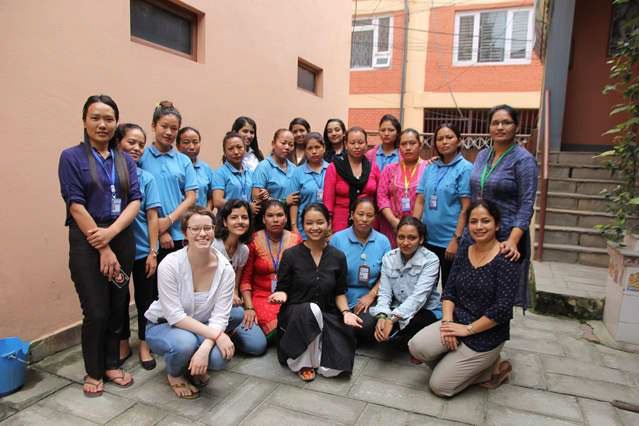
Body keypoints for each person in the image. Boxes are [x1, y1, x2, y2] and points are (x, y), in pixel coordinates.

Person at [58, 95, 141, 397]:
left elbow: (135, 200)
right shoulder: (71, 157)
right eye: (96, 118)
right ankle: (93, 371)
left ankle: (110, 364)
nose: (103, 124)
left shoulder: (125, 160)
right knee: (96, 309)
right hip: (87, 240)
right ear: (85, 121)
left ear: (116, 122)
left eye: (109, 118)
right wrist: (103, 245)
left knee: (118, 305)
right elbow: (75, 204)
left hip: (121, 238)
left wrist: (114, 234)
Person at [408, 200, 519, 397]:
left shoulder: (506, 259)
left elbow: (502, 309)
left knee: (440, 387)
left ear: (497, 225)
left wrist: (467, 330)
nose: (479, 226)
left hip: (486, 333)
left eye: (485, 221)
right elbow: (449, 291)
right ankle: (459, 363)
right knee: (416, 347)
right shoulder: (465, 249)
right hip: (457, 321)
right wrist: (448, 323)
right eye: (473, 221)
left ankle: (491, 369)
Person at [145, 207, 237, 400]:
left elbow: (220, 316)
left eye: (207, 228)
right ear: (185, 232)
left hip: (201, 327)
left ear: (214, 230)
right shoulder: (170, 264)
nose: (202, 234)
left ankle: (194, 361)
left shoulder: (225, 269)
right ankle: (175, 373)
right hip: (164, 324)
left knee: (219, 358)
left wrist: (205, 348)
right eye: (195, 229)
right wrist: (218, 336)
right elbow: (175, 316)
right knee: (184, 343)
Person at [270, 203, 361, 381]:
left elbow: (339, 293)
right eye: (309, 223)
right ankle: (304, 362)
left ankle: (318, 356)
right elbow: (283, 288)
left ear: (328, 223)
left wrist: (346, 312)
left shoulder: (338, 256)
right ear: (303, 225)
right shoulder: (291, 255)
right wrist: (282, 294)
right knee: (310, 309)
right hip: (296, 315)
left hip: (327, 314)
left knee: (333, 370)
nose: (315, 227)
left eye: (320, 222)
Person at [469, 105, 538, 307]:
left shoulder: (524, 160)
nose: (500, 127)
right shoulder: (483, 155)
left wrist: (513, 240)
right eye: (495, 123)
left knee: (497, 298)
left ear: (516, 126)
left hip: (504, 238)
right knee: (473, 290)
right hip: (477, 232)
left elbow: (526, 204)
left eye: (506, 122)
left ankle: (491, 337)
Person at [115, 123, 161, 371]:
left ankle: (144, 343)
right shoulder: (109, 175)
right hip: (118, 253)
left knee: (146, 300)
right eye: (131, 142)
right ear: (118, 142)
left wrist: (153, 251)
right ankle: (123, 341)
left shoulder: (147, 178)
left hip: (144, 251)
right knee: (120, 299)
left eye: (141, 144)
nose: (136, 148)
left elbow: (153, 216)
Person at [358, 217, 441, 345]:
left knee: (412, 326)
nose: (405, 242)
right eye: (401, 237)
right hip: (396, 305)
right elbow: (385, 292)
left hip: (423, 309)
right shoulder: (389, 257)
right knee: (365, 325)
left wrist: (391, 319)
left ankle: (405, 338)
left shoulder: (431, 260)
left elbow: (418, 298)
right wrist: (382, 316)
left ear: (421, 239)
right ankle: (395, 335)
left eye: (412, 238)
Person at [413, 123, 472, 288]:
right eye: (440, 139)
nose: (444, 142)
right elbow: (420, 200)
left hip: (449, 241)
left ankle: (448, 315)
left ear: (459, 141)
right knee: (424, 287)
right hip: (428, 239)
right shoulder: (431, 167)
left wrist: (456, 240)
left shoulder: (465, 169)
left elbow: (466, 208)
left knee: (449, 289)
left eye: (449, 137)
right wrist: (412, 230)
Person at [138, 101, 197, 264]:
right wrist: (160, 230)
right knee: (151, 288)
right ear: (153, 125)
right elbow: (139, 199)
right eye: (164, 126)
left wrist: (169, 221)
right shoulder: (142, 157)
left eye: (174, 128)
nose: (169, 132)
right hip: (149, 235)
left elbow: (191, 197)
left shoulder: (183, 160)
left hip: (180, 234)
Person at [239, 200, 302, 338]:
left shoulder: (296, 239)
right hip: (261, 297)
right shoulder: (254, 240)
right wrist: (249, 307)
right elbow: (245, 280)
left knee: (295, 321)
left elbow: (301, 275)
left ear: (286, 218)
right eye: (270, 215)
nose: (275, 220)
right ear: (263, 219)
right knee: (278, 327)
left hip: (287, 295)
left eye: (280, 215)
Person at [212, 200, 268, 356]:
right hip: (209, 307)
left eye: (244, 217)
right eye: (234, 217)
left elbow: (235, 285)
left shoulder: (243, 250)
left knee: (258, 345)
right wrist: (227, 297)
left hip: (230, 307)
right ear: (224, 221)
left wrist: (235, 296)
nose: (240, 222)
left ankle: (228, 333)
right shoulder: (213, 246)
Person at [330, 198, 391, 315]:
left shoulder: (383, 241)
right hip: (339, 296)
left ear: (375, 218)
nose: (364, 219)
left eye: (369, 215)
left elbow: (387, 275)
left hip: (370, 296)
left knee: (365, 326)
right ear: (352, 215)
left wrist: (371, 295)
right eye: (360, 214)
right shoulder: (337, 239)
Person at [323, 127, 380, 233]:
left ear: (366, 144)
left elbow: (378, 198)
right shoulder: (334, 167)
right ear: (346, 144)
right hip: (341, 222)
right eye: (352, 143)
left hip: (368, 221)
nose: (357, 146)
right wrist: (328, 224)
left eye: (361, 142)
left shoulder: (373, 168)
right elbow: (328, 199)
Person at [377, 129, 428, 247]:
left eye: (412, 143)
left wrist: (414, 227)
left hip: (420, 228)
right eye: (403, 144)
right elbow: (381, 197)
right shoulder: (389, 169)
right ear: (399, 147)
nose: (408, 147)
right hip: (393, 227)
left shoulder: (429, 168)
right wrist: (394, 222)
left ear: (420, 146)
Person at [252, 129, 299, 221]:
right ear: (273, 143)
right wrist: (284, 201)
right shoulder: (263, 167)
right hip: (269, 221)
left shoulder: (294, 168)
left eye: (291, 144)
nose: (287, 147)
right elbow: (257, 199)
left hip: (290, 220)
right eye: (283, 143)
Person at [289, 132, 329, 239]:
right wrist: (294, 228)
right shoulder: (297, 173)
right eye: (310, 148)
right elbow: (294, 202)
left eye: (317, 147)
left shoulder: (332, 169)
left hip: (326, 226)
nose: (314, 151)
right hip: (305, 227)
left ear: (324, 148)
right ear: (305, 151)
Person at [211, 131, 257, 212]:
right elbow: (217, 201)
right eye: (230, 149)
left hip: (247, 220)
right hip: (227, 220)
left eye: (239, 147)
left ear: (245, 149)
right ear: (225, 152)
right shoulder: (220, 173)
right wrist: (246, 206)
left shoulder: (250, 172)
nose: (236, 152)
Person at [176, 126, 215, 210]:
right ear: (177, 145)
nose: (192, 147)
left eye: (195, 142)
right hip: (179, 219)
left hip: (202, 219)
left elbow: (211, 196)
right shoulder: (174, 168)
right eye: (186, 142)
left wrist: (207, 212)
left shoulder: (206, 168)